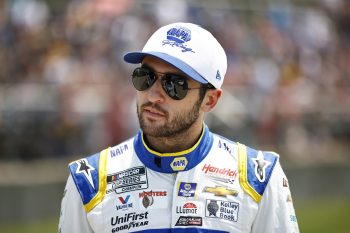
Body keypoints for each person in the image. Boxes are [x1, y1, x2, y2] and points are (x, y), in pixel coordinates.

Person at [59, 22, 300, 233]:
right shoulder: (88, 181)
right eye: (145, 76)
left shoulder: (259, 178)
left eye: (175, 84)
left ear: (210, 100)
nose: (153, 95)